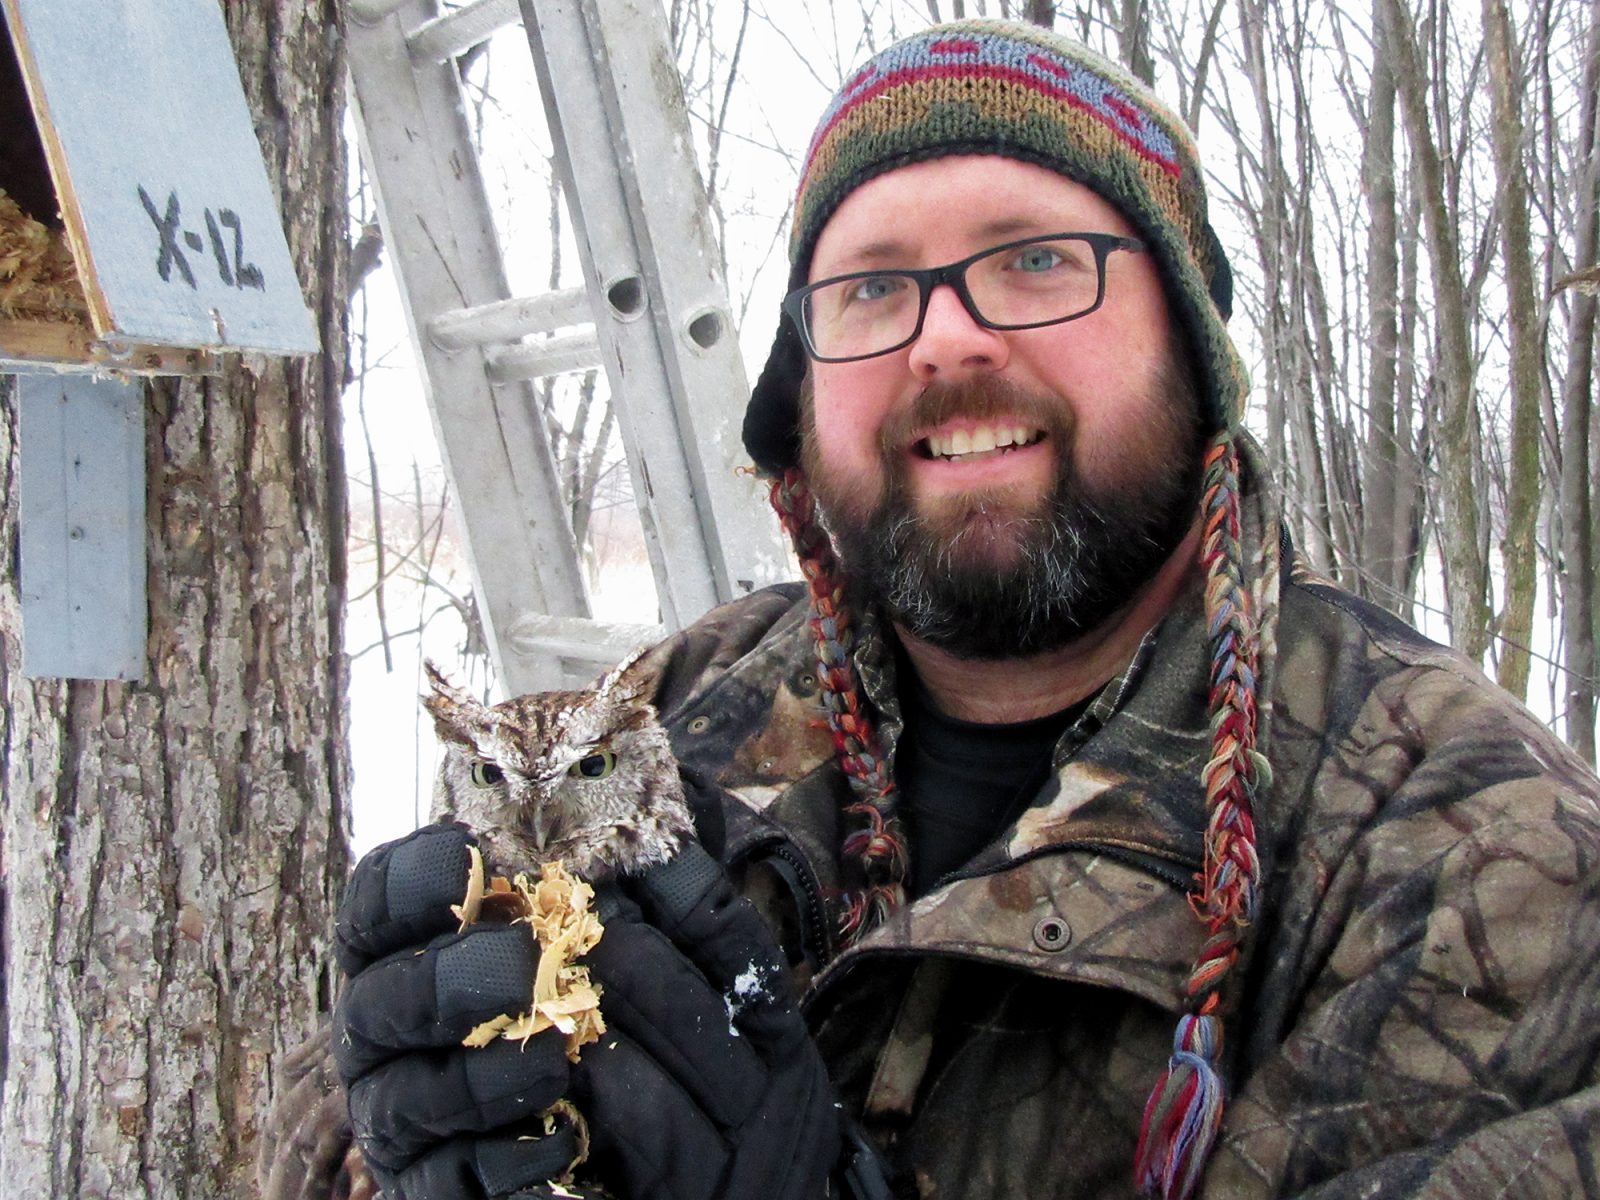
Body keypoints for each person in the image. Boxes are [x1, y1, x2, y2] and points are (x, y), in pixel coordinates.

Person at [269, 18, 1600, 1200]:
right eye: (873, 288)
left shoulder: (1474, 858)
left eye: (1034, 262)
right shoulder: (674, 714)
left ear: (1191, 347)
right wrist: (385, 1135)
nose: (947, 339)